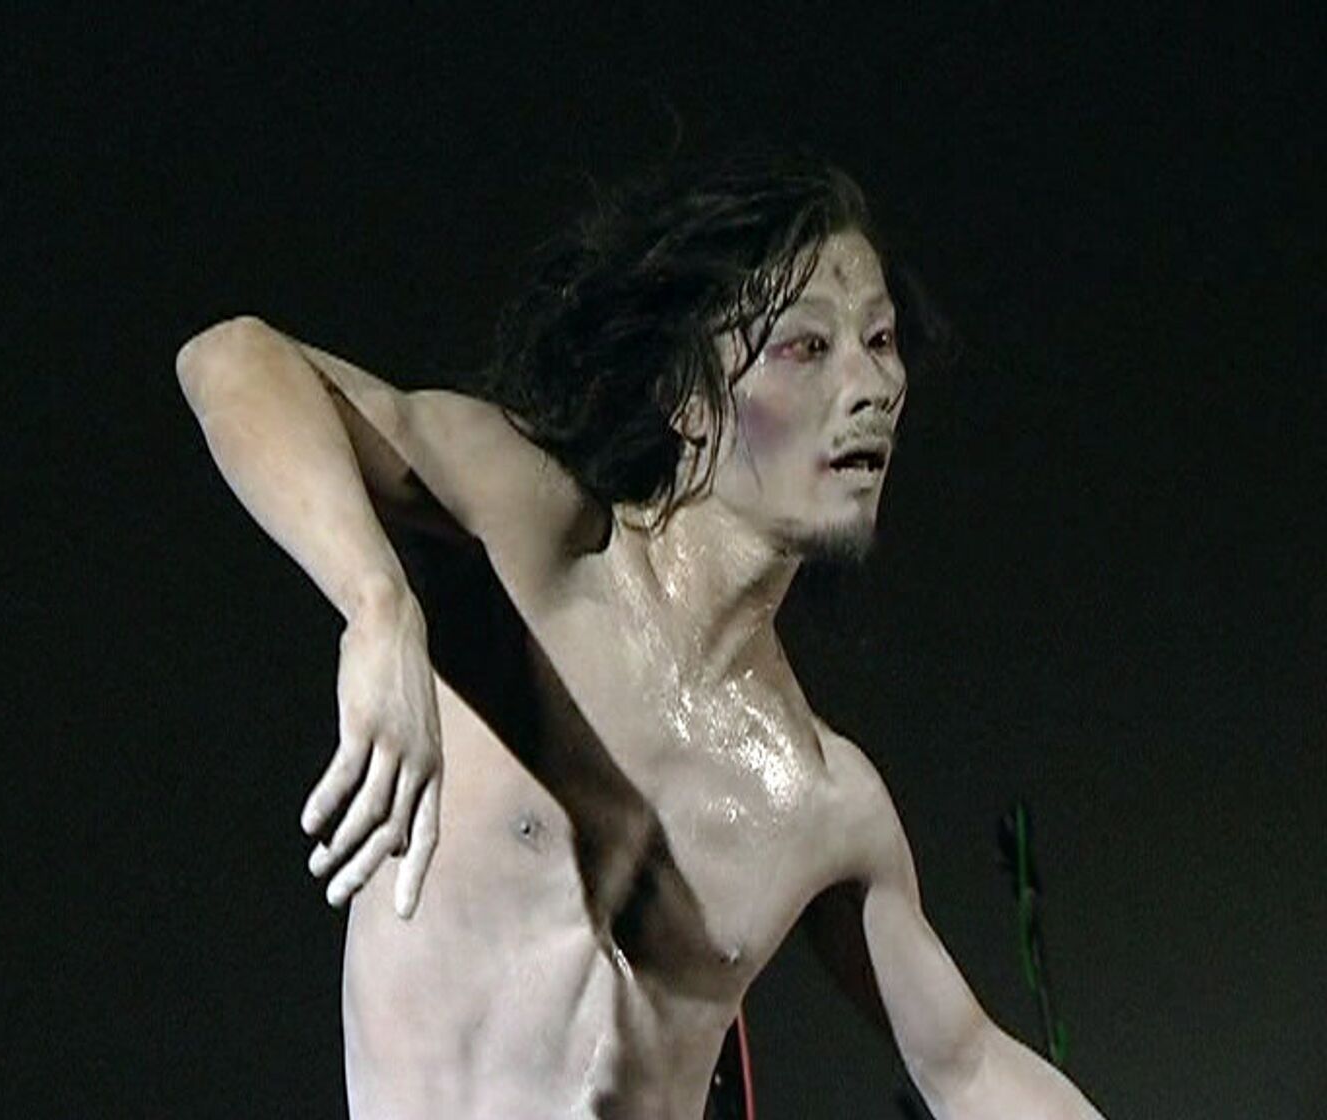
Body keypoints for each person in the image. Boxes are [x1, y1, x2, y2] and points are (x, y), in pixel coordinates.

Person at [177, 154, 1105, 1120]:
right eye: (807, 346)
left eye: (879, 340)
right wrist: (378, 608)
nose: (870, 383)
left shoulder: (826, 802)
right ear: (686, 398)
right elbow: (233, 359)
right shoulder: (528, 545)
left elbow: (968, 1068)